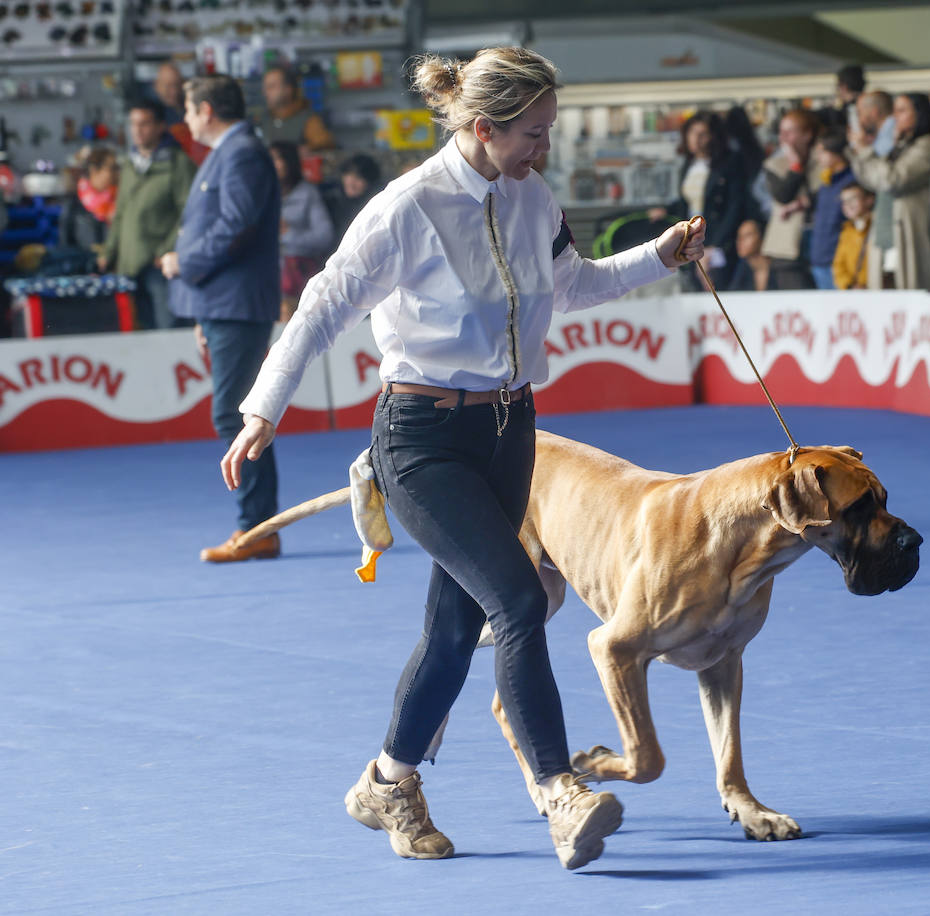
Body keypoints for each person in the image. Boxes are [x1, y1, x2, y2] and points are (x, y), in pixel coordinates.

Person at [221, 47, 706, 868]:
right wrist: (262, 408)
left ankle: (387, 781)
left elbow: (574, 285)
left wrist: (660, 255)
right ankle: (561, 792)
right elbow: (321, 307)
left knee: (453, 630)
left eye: (547, 132)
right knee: (519, 599)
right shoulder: (405, 208)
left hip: (511, 430)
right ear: (482, 128)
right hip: (420, 441)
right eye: (531, 134)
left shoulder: (532, 196)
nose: (542, 150)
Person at [161, 74, 283, 562]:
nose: (186, 119)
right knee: (239, 413)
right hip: (221, 302)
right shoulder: (231, 153)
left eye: (189, 109)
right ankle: (258, 528)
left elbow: (235, 227)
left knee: (236, 414)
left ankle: (256, 529)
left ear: (206, 110)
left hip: (234, 303)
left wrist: (184, 265)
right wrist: (198, 301)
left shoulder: (241, 154)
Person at [100, 99, 195, 330]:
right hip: (129, 265)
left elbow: (190, 212)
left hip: (161, 265)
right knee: (139, 330)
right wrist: (109, 252)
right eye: (133, 124)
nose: (137, 130)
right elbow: (120, 213)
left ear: (161, 126)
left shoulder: (178, 163)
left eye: (144, 124)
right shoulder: (129, 165)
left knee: (168, 328)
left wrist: (166, 249)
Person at [849, 91, 930, 290]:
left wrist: (866, 150)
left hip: (907, 231)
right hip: (885, 232)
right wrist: (860, 152)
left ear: (919, 114)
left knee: (908, 291)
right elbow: (872, 181)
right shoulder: (898, 146)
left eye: (902, 111)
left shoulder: (926, 146)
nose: (894, 117)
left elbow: (892, 180)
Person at [651, 111, 747, 290]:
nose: (696, 139)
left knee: (716, 289)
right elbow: (688, 200)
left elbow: (734, 208)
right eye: (692, 133)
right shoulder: (689, 164)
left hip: (718, 241)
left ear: (713, 137)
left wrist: (715, 245)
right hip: (691, 239)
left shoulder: (730, 163)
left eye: (702, 134)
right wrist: (667, 210)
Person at [270, 141, 334, 321]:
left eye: (279, 159)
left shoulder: (307, 193)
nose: (275, 164)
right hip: (264, 280)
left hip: (298, 280)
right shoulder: (259, 195)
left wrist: (288, 233)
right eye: (270, 159)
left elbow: (324, 236)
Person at [760, 108, 823, 289]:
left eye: (790, 132)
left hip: (823, 243)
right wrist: (795, 167)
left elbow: (827, 193)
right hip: (788, 249)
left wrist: (804, 202)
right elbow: (783, 196)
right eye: (781, 132)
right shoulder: (774, 164)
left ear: (807, 135)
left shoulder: (823, 159)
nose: (784, 138)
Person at [808, 130, 856, 289]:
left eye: (822, 152)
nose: (818, 157)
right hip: (819, 258)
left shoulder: (852, 182)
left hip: (840, 262)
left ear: (836, 153)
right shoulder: (826, 182)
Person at [259, 64, 335, 152]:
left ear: (288, 89)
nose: (265, 93)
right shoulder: (265, 119)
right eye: (265, 88)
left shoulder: (309, 119)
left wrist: (307, 150)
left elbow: (324, 144)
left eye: (271, 87)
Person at [60, 146, 117, 255]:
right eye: (112, 168)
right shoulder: (74, 206)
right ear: (94, 170)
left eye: (117, 168)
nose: (116, 173)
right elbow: (66, 246)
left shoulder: (119, 201)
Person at [323, 153, 383, 250]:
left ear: (370, 182)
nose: (351, 182)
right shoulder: (331, 199)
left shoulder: (374, 206)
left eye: (359, 178)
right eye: (348, 175)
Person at [153, 61, 208, 166]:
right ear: (156, 85)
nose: (174, 91)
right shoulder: (151, 116)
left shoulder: (191, 109)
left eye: (177, 84)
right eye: (168, 86)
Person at [831, 182, 874, 290]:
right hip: (854, 293)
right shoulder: (846, 231)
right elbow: (838, 265)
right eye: (844, 201)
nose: (848, 205)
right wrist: (849, 285)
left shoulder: (877, 227)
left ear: (869, 200)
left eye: (853, 199)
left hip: (876, 290)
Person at [726, 218, 776, 291]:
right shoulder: (741, 268)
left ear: (761, 237)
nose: (740, 240)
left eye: (747, 235)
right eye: (739, 236)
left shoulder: (779, 268)